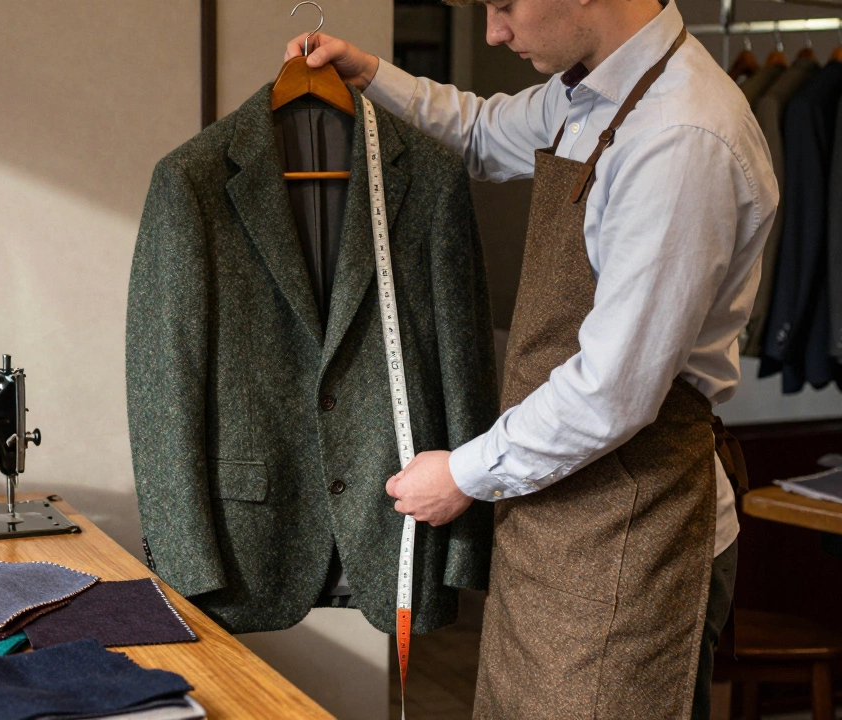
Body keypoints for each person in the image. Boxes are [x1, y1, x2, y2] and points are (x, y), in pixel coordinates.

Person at [286, 0, 776, 717]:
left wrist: (460, 473)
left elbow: (613, 391)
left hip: (640, 529)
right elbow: (482, 132)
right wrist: (371, 75)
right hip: (557, 515)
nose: (492, 32)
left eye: (504, 5)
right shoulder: (588, 95)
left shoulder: (681, 138)